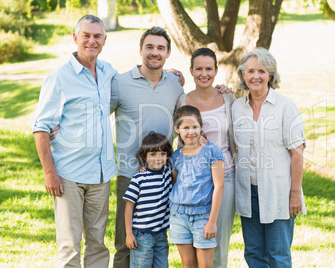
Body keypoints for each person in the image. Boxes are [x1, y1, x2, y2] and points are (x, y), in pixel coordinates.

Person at [110, 27, 230, 267]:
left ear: (168, 53)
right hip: (130, 172)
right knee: (126, 240)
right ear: (141, 49)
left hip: (164, 174)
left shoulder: (175, 85)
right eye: (150, 47)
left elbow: (188, 118)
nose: (155, 52)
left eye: (160, 48)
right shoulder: (120, 83)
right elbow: (97, 112)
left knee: (158, 238)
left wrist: (223, 90)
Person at [32, 15, 116, 267]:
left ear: (104, 39)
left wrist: (169, 73)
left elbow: (135, 82)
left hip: (101, 175)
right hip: (69, 175)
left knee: (98, 245)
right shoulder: (59, 77)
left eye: (97, 36)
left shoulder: (107, 71)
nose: (92, 41)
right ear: (75, 37)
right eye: (86, 35)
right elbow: (41, 127)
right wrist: (50, 173)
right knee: (69, 247)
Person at [232, 47, 307, 267]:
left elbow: (297, 153)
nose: (256, 76)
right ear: (243, 76)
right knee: (253, 254)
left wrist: (295, 193)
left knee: (278, 255)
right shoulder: (236, 107)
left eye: (261, 71)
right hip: (248, 192)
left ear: (271, 75)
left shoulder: (285, 106)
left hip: (278, 191)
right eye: (250, 71)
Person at [175, 48, 236, 268]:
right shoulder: (182, 100)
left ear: (216, 70)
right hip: (192, 181)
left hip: (224, 178)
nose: (204, 73)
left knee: (217, 243)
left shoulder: (227, 97)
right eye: (198, 68)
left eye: (209, 68)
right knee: (191, 248)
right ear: (190, 70)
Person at [169, 105, 225, 268]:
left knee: (205, 264)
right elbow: (175, 183)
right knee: (187, 263)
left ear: (201, 127)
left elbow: (219, 187)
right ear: (177, 129)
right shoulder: (176, 156)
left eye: (195, 127)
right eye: (185, 127)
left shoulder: (211, 151)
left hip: (203, 216)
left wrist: (212, 221)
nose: (191, 132)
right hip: (178, 215)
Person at [124, 132, 173, 268]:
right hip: (142, 235)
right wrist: (129, 234)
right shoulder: (139, 178)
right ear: (144, 156)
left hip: (161, 234)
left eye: (162, 154)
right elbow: (129, 207)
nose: (158, 158)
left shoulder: (167, 172)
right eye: (153, 154)